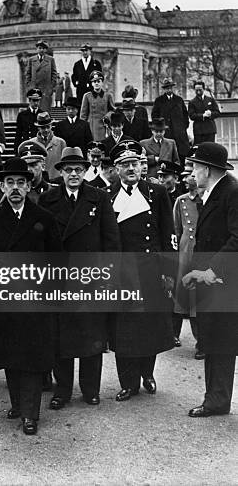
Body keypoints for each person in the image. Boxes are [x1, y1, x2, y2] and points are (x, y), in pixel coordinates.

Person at [0, 157, 62, 435]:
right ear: (1, 186)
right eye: (9, 183)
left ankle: (30, 413)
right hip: (3, 297)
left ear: (28, 186)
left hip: (35, 298)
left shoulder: (43, 219)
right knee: (10, 353)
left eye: (20, 183)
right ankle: (18, 404)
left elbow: (57, 261)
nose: (14, 188)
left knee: (32, 356)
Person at [39, 147, 120, 410]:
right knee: (61, 338)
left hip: (91, 277)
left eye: (78, 170)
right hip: (59, 277)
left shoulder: (99, 197)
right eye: (68, 170)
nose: (73, 174)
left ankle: (90, 389)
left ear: (85, 171)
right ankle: (62, 390)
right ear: (60, 172)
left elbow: (111, 240)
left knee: (92, 335)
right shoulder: (48, 199)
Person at [107, 140, 175, 402]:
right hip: (123, 271)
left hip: (150, 268)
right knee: (124, 328)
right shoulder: (107, 195)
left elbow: (167, 232)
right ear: (116, 169)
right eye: (125, 164)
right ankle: (128, 383)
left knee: (150, 325)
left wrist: (169, 271)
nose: (131, 168)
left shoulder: (156, 193)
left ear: (141, 166)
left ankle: (148, 374)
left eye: (134, 163)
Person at [183, 143, 238, 417]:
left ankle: (216, 400)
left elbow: (237, 238)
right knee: (216, 340)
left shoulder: (231, 192)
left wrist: (211, 271)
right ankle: (216, 399)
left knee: (222, 341)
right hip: (214, 284)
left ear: (206, 169)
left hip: (223, 283)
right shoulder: (217, 191)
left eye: (194, 166)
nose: (192, 172)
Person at [173, 163, 204, 359]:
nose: (185, 180)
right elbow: (177, 228)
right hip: (185, 252)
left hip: (200, 251)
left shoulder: (205, 199)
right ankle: (173, 334)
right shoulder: (180, 201)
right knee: (183, 294)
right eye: (184, 177)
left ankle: (202, 341)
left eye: (188, 176)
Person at [151, 78, 190, 165]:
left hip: (179, 134)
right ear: (164, 89)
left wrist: (182, 128)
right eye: (167, 88)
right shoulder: (159, 100)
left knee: (181, 155)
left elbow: (185, 116)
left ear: (173, 88)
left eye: (170, 87)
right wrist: (160, 128)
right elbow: (154, 116)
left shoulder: (179, 100)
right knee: (167, 155)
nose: (169, 89)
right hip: (166, 132)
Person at [29, 112, 66, 181]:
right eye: (43, 128)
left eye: (48, 127)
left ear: (51, 126)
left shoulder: (61, 143)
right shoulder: (32, 143)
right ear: (38, 128)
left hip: (56, 180)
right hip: (38, 181)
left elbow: (64, 165)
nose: (46, 130)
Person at [80, 71, 115, 141]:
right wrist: (82, 129)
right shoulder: (87, 96)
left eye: (99, 81)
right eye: (94, 81)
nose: (96, 83)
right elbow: (83, 115)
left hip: (104, 126)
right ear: (92, 83)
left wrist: (107, 116)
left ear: (102, 82)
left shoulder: (108, 96)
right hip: (91, 127)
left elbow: (112, 110)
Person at [25, 40, 57, 112]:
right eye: (39, 48)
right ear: (37, 49)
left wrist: (51, 87)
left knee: (45, 111)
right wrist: (29, 87)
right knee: (34, 110)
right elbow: (28, 74)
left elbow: (54, 74)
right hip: (34, 89)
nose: (41, 50)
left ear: (46, 50)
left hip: (46, 90)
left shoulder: (50, 60)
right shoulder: (31, 60)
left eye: (43, 48)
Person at [13, 88, 44, 154]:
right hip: (26, 147)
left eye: (38, 101)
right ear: (29, 101)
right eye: (34, 101)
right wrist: (16, 151)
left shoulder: (43, 114)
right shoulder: (22, 115)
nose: (36, 103)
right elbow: (18, 134)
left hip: (39, 147)